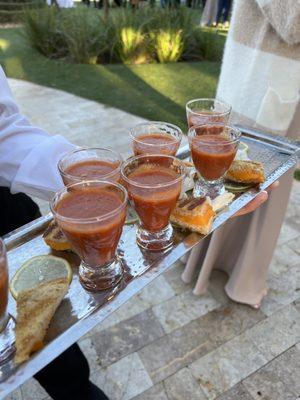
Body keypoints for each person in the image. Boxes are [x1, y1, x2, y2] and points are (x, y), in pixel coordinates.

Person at [0, 66, 109, 400]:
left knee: (46, 324)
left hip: (4, 214)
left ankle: (75, 388)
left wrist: (95, 181)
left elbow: (2, 132)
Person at [182, 0, 300, 307]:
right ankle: (218, 267)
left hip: (276, 83)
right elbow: (292, 20)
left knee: (260, 189)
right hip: (262, 86)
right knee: (242, 183)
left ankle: (232, 270)